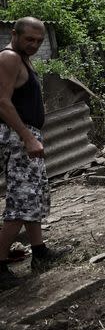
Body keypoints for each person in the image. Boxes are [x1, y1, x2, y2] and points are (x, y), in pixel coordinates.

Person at [0, 17, 67, 288]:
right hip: (18, 138)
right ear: (14, 34)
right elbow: (1, 101)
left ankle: (39, 251)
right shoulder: (9, 58)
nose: (35, 44)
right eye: (30, 39)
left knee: (34, 197)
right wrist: (27, 137)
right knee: (21, 202)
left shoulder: (22, 58)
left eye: (39, 41)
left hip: (26, 137)